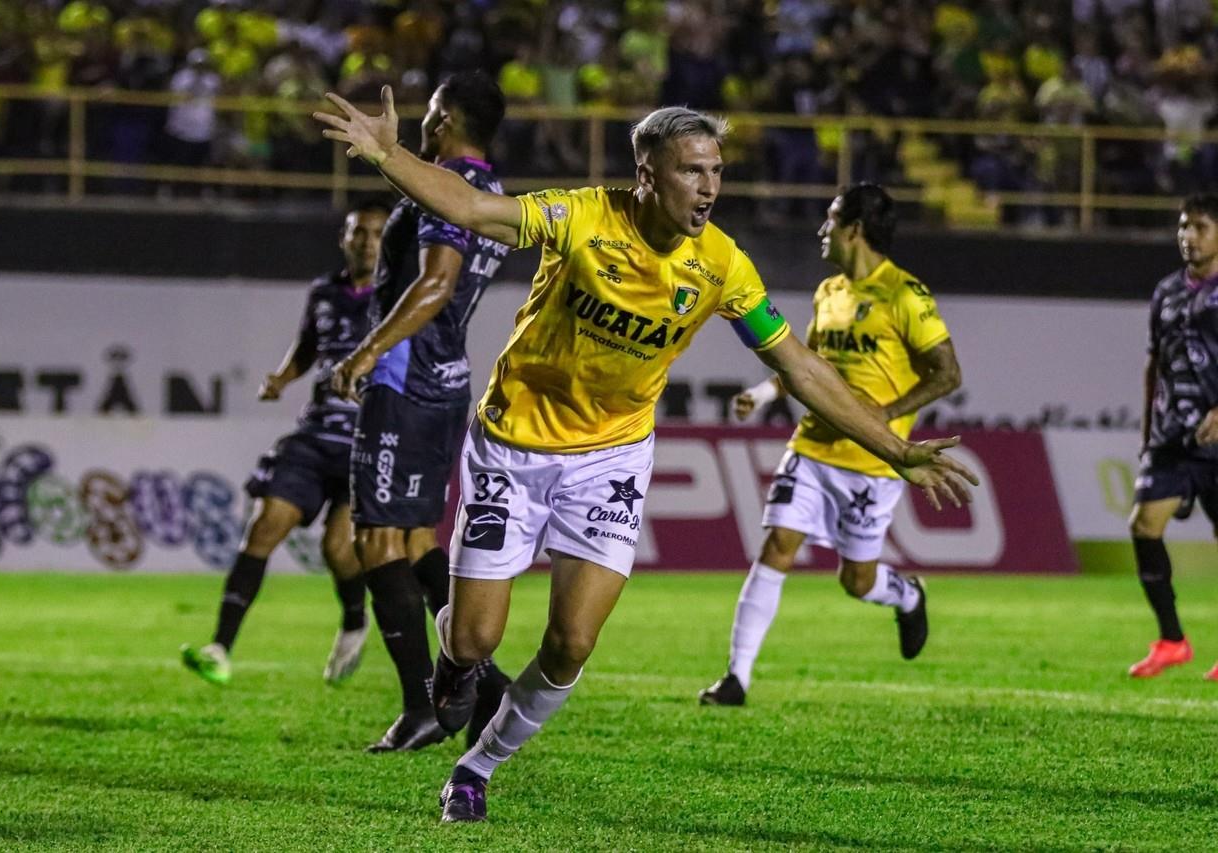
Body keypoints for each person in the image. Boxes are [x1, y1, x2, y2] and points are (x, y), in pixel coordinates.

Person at [314, 91, 977, 823]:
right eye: (692, 170)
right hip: (514, 446)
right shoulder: (583, 217)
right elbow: (474, 210)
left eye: (716, 170)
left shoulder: (723, 264)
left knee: (571, 643)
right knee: (473, 636)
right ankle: (457, 669)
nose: (709, 186)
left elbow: (798, 366)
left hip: (611, 459)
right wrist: (386, 154)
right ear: (647, 173)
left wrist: (896, 446)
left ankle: (478, 766)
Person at [699, 183, 963, 707]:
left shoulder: (905, 294)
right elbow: (806, 368)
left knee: (857, 581)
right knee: (776, 547)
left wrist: (883, 417)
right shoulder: (829, 293)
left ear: (855, 230)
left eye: (830, 220)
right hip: (813, 449)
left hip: (875, 461)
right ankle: (737, 678)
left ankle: (907, 595)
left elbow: (948, 372)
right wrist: (762, 391)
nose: (822, 230)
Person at [328, 71, 512, 753]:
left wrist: (367, 351)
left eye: (433, 113)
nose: (425, 124)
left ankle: (422, 705)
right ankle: (488, 687)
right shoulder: (490, 194)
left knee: (373, 540)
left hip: (405, 378)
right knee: (414, 542)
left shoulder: (448, 190)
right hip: (449, 379)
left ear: (449, 119)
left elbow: (435, 281)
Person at [180, 203, 388, 687]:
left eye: (377, 235)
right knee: (264, 525)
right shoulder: (323, 291)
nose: (367, 243)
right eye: (360, 233)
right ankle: (220, 647)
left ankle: (355, 620)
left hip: (369, 438)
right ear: (345, 238)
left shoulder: (399, 296)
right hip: (315, 434)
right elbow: (309, 347)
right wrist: (283, 377)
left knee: (340, 549)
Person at [1126, 193, 1218, 681]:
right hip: (1172, 436)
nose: (1188, 237)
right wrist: (1147, 431)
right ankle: (1171, 640)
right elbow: (1153, 363)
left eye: (1200, 227)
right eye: (1184, 227)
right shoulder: (1166, 292)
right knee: (1143, 525)